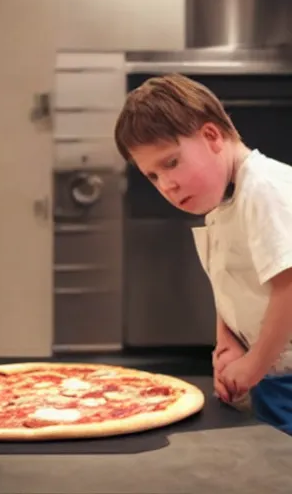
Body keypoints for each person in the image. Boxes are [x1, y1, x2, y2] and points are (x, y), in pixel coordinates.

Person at [113, 73, 292, 435]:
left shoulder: (264, 189)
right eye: (152, 176)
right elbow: (230, 278)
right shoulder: (221, 199)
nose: (167, 185)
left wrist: (254, 365)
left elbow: (289, 288)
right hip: (277, 373)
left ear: (212, 137)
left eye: (171, 163)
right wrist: (227, 342)